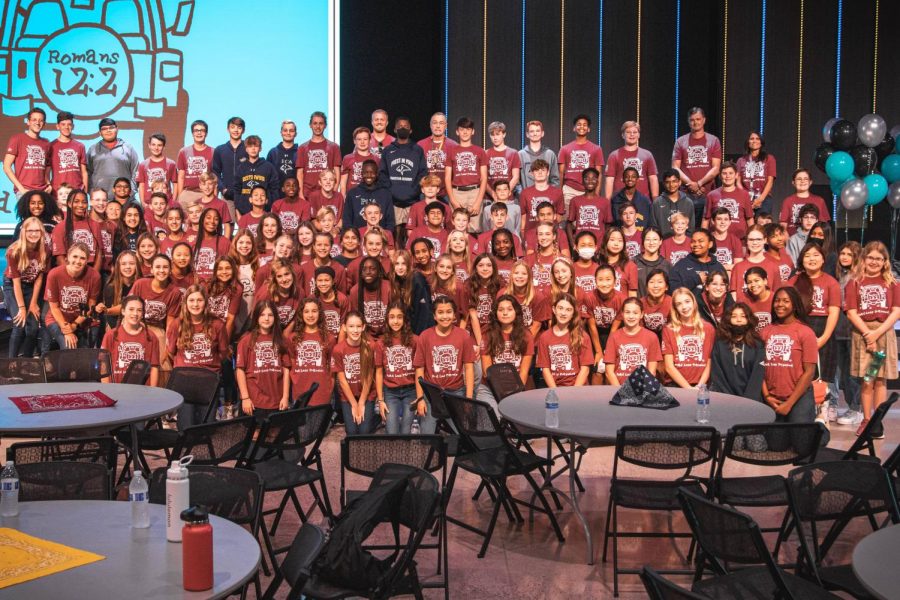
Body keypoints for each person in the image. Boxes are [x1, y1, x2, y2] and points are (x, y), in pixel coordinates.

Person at [844, 241, 900, 437]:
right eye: (871, 258)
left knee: (880, 380)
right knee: (867, 379)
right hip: (863, 334)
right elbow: (851, 312)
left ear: (885, 261)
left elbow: (896, 311)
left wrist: (877, 334)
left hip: (883, 334)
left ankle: (877, 422)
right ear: (864, 259)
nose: (874, 262)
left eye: (879, 258)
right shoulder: (855, 281)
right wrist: (869, 335)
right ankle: (866, 420)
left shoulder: (892, 282)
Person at [761, 287, 818, 423]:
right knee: (776, 444)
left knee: (801, 441)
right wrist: (767, 396)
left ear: (795, 305)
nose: (780, 304)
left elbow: (809, 372)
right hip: (772, 397)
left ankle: (821, 431)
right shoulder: (765, 332)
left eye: (786, 301)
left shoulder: (805, 332)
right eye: (777, 301)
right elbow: (759, 370)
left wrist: (789, 403)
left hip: (799, 397)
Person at [790, 243, 841, 399]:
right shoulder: (793, 281)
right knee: (800, 372)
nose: (812, 259)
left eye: (816, 255)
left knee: (823, 374)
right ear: (801, 260)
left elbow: (833, 312)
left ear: (823, 259)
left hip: (823, 330)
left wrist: (824, 338)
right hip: (799, 330)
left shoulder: (831, 282)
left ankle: (824, 409)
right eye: (807, 255)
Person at [414, 295, 478, 401]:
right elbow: (419, 370)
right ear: (434, 316)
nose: (445, 316)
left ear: (454, 315)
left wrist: (469, 398)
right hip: (431, 393)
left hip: (457, 391)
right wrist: (420, 399)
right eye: (440, 312)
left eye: (449, 312)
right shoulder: (425, 336)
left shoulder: (464, 335)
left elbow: (469, 368)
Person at [236, 300, 290, 421]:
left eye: (270, 315)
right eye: (262, 315)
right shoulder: (246, 341)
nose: (266, 318)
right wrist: (245, 398)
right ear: (256, 317)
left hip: (277, 399)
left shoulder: (282, 340)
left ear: (275, 317)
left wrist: (285, 397)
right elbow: (240, 370)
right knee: (255, 435)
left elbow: (286, 370)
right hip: (254, 400)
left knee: (274, 434)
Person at [332, 311, 384, 435]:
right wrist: (354, 404)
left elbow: (369, 377)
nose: (355, 330)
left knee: (364, 431)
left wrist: (361, 402)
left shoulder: (370, 346)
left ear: (363, 327)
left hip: (366, 393)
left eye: (358, 326)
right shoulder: (338, 349)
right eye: (351, 326)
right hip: (348, 394)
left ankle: (376, 419)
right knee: (352, 432)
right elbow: (342, 380)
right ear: (344, 327)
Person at [378, 116, 427, 245]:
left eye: (406, 127)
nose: (403, 128)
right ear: (394, 129)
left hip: (413, 201)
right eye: (400, 126)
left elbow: (423, 173)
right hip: (393, 201)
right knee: (395, 236)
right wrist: (391, 191)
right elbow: (382, 174)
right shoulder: (388, 150)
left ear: (410, 130)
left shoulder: (417, 150)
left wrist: (414, 191)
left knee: (412, 235)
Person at [43, 242, 101, 350]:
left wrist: (74, 325)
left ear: (87, 260)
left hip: (80, 320)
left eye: (82, 258)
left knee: (85, 353)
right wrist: (67, 330)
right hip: (57, 318)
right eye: (75, 256)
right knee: (68, 347)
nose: (78, 261)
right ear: (68, 257)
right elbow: (54, 308)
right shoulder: (54, 274)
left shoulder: (94, 276)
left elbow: (90, 306)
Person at [4, 216, 48, 356]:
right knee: (20, 323)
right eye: (30, 230)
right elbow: (16, 281)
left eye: (37, 230)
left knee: (34, 327)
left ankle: (27, 362)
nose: (33, 234)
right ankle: (10, 364)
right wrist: (22, 308)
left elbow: (39, 278)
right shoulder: (14, 251)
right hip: (12, 286)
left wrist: (33, 303)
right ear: (24, 232)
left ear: (41, 232)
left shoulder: (45, 249)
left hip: (31, 286)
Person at [671, 107, 721, 226]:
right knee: (685, 227)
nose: (695, 122)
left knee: (706, 229)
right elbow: (675, 167)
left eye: (698, 119)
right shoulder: (680, 141)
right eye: (692, 120)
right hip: (685, 194)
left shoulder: (713, 140)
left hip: (707, 193)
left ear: (704, 120)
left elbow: (716, 168)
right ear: (688, 122)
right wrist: (691, 184)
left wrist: (699, 184)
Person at [381, 302, 424, 434]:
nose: (395, 321)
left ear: (405, 319)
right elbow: (378, 373)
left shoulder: (415, 340)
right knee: (392, 434)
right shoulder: (381, 342)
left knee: (405, 433)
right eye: (392, 317)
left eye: (399, 317)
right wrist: (381, 400)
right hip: (391, 392)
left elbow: (419, 370)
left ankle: (414, 424)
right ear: (387, 319)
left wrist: (420, 396)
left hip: (410, 390)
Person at [535, 292, 592, 388]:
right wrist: (555, 391)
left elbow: (585, 369)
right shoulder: (544, 337)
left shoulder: (582, 336)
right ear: (554, 309)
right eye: (560, 308)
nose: (563, 313)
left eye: (568, 310)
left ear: (573, 313)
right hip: (555, 388)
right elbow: (545, 369)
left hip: (577, 389)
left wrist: (573, 392)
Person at [709, 302, 765, 398]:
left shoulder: (757, 345)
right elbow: (717, 374)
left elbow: (757, 376)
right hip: (725, 399)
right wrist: (729, 399)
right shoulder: (720, 344)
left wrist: (748, 400)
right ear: (728, 320)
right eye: (734, 316)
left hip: (752, 401)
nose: (739, 320)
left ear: (749, 320)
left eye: (743, 316)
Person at [833, 241, 863, 426]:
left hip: (854, 330)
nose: (844, 257)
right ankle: (842, 405)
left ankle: (856, 408)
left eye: (849, 254)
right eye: (842, 253)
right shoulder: (839, 276)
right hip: (838, 329)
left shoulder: (860, 278)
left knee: (854, 372)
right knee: (840, 372)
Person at [661, 288, 715, 387]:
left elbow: (709, 363)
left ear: (693, 302)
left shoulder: (708, 328)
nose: (684, 307)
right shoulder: (668, 329)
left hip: (702, 385)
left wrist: (699, 386)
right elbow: (669, 367)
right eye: (679, 304)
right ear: (675, 308)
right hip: (676, 384)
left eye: (687, 301)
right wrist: (689, 389)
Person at [101, 295, 160, 385]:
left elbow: (154, 367)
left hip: (143, 391)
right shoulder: (110, 335)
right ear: (123, 311)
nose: (135, 313)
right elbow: (103, 365)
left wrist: (153, 392)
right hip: (116, 389)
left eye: (139, 310)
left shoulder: (151, 337)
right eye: (131, 309)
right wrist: (107, 389)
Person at [603, 297, 662, 385]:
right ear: (622, 314)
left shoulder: (651, 337)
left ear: (641, 314)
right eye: (627, 312)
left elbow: (651, 372)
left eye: (635, 313)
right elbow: (609, 372)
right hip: (619, 389)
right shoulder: (614, 337)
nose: (631, 316)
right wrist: (621, 392)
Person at [288, 297, 335, 407]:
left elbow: (332, 367)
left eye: (314, 311)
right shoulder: (293, 338)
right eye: (306, 311)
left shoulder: (329, 338)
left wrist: (329, 388)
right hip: (299, 391)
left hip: (322, 392)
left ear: (320, 313)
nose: (310, 315)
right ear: (301, 314)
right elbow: (292, 361)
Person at [445, 117, 488, 233]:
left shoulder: (480, 151)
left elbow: (484, 178)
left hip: (475, 192)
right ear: (457, 132)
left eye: (468, 129)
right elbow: (447, 178)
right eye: (462, 129)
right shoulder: (451, 151)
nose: (465, 132)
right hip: (457, 192)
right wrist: (453, 200)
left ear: (472, 131)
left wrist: (479, 201)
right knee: (457, 227)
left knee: (475, 228)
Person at [558, 114, 605, 214]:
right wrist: (560, 194)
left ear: (588, 129)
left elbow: (599, 174)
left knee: (585, 222)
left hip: (588, 190)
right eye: (579, 124)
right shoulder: (565, 149)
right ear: (574, 128)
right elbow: (561, 173)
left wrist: (596, 193)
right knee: (567, 223)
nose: (582, 127)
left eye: (585, 125)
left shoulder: (596, 149)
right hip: (569, 190)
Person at [604, 120, 659, 200]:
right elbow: (609, 180)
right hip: (620, 200)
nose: (632, 135)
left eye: (635, 132)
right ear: (623, 135)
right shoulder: (614, 155)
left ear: (639, 135)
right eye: (628, 132)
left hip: (642, 200)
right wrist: (608, 201)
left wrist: (655, 200)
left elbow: (653, 178)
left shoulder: (647, 155)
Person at [85, 118, 139, 196]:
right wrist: (91, 192)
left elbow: (136, 171)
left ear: (117, 129)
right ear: (100, 133)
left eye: (111, 128)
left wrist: (132, 191)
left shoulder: (128, 148)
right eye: (104, 129)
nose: (108, 130)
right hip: (100, 199)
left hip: (124, 198)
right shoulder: (93, 149)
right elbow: (87, 173)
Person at [4, 107, 51, 196]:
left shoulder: (46, 143)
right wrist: (21, 189)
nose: (37, 123)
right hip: (24, 191)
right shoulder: (17, 139)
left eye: (41, 120)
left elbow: (47, 167)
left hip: (43, 191)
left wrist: (48, 184)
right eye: (34, 120)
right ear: (28, 122)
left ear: (44, 124)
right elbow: (6, 166)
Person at [702, 161, 753, 240]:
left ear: (736, 175)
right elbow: (706, 220)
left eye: (730, 173)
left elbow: (749, 219)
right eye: (724, 173)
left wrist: (751, 238)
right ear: (720, 176)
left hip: (740, 240)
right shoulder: (711, 195)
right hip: (716, 240)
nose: (727, 176)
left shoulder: (744, 195)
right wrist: (704, 239)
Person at [295, 111, 342, 199]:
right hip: (307, 194)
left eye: (321, 123)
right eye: (315, 123)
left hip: (327, 193)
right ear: (310, 125)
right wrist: (300, 193)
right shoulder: (302, 148)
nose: (317, 126)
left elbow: (337, 171)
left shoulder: (334, 147)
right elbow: (300, 173)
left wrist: (334, 190)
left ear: (325, 125)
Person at [50, 189, 101, 268]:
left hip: (91, 270)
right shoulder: (59, 228)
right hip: (69, 270)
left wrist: (94, 275)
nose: (80, 205)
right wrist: (72, 275)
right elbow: (60, 258)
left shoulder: (95, 225)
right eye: (76, 201)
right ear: (69, 204)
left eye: (84, 202)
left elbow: (99, 253)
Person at [389, 250, 434, 334]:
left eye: (403, 264)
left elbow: (423, 312)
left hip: (422, 330)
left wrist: (417, 337)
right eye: (397, 264)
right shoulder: (396, 280)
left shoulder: (417, 279)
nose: (400, 267)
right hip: (409, 329)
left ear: (409, 265)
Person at [669, 229, 726, 294]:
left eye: (700, 241)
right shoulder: (681, 265)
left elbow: (725, 291)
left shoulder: (718, 267)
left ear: (710, 244)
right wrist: (696, 280)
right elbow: (672, 290)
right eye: (693, 241)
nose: (696, 244)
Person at [233, 135, 280, 215]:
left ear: (260, 148)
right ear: (246, 149)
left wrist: (270, 206)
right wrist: (238, 208)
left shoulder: (268, 167)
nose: (253, 149)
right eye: (250, 146)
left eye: (256, 146)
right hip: (245, 212)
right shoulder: (241, 168)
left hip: (264, 211)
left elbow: (274, 188)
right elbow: (237, 189)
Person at [343, 160, 395, 231]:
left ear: (377, 174)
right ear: (361, 174)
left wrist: (386, 236)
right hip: (358, 237)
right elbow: (347, 220)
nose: (369, 176)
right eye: (366, 173)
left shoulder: (386, 194)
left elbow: (390, 221)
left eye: (372, 173)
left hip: (380, 237)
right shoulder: (352, 193)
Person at [349, 256, 392, 339]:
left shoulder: (389, 288)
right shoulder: (355, 291)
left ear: (379, 272)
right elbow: (356, 320)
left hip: (387, 336)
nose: (368, 272)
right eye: (364, 269)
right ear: (361, 274)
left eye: (372, 268)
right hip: (365, 336)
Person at [504, 260, 550, 337]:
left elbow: (536, 325)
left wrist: (524, 344)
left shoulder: (538, 296)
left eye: (524, 274)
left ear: (529, 277)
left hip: (531, 339)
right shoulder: (503, 294)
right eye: (516, 273)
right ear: (511, 275)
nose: (520, 276)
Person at [418, 112, 458, 199]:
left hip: (447, 193)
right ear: (430, 125)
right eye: (435, 123)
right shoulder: (420, 145)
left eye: (441, 123)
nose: (438, 126)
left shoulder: (454, 146)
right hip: (425, 193)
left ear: (446, 126)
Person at [567, 167, 613, 243]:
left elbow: (608, 225)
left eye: (593, 179)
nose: (590, 181)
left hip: (599, 245)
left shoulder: (605, 202)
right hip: (580, 244)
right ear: (582, 181)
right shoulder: (575, 200)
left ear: (598, 182)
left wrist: (603, 244)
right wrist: (572, 244)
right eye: (587, 179)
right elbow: (569, 224)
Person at [211, 116, 247, 211]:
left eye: (239, 128)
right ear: (228, 129)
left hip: (246, 195)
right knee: (228, 224)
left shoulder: (248, 149)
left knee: (248, 224)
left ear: (243, 130)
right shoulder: (220, 150)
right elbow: (215, 173)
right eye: (233, 127)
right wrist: (223, 189)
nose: (236, 130)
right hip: (227, 195)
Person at [255, 258, 301, 333]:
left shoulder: (299, 292)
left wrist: (285, 335)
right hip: (267, 331)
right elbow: (257, 319)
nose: (284, 279)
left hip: (286, 331)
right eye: (279, 276)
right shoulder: (266, 293)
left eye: (287, 274)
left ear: (292, 273)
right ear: (275, 279)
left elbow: (295, 318)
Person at [779, 168, 829, 236]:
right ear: (793, 182)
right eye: (799, 179)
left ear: (810, 182)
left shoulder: (819, 201)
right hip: (792, 241)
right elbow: (783, 226)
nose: (802, 181)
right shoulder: (787, 201)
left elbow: (823, 226)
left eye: (805, 179)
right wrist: (789, 242)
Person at [467, 254, 502, 348]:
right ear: (475, 268)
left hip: (495, 331)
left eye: (489, 265)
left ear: (494, 268)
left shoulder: (501, 283)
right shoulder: (468, 285)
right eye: (481, 265)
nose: (485, 269)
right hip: (475, 333)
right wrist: (480, 343)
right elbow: (473, 316)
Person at [736, 131, 776, 214]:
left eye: (757, 139)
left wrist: (760, 199)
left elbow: (770, 181)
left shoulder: (769, 158)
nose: (754, 141)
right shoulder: (741, 160)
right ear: (748, 142)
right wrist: (746, 197)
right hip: (745, 199)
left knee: (762, 225)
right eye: (752, 139)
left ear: (761, 143)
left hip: (764, 199)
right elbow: (738, 181)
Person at [521, 159, 565, 235]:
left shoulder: (558, 193)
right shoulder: (525, 193)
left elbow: (559, 217)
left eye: (543, 170)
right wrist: (523, 235)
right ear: (532, 173)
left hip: (551, 235)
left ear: (548, 173)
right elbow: (523, 218)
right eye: (536, 170)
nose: (540, 172)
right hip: (531, 235)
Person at [205, 256, 243, 342]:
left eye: (228, 268)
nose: (224, 272)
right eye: (220, 269)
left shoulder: (237, 288)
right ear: (215, 271)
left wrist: (224, 343)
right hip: (206, 326)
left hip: (223, 328)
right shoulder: (207, 285)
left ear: (233, 270)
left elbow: (230, 319)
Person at [49, 111, 88, 194]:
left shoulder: (80, 146)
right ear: (57, 126)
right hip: (58, 192)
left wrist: (85, 191)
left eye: (69, 124)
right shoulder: (51, 146)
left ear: (73, 126)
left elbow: (84, 172)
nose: (66, 127)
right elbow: (46, 171)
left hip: (77, 191)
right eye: (63, 124)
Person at [175, 119, 213, 206]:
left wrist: (213, 196)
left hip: (205, 193)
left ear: (206, 133)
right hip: (188, 193)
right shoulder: (183, 151)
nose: (199, 133)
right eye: (196, 131)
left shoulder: (213, 152)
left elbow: (214, 177)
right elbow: (181, 176)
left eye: (202, 130)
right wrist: (180, 195)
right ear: (192, 133)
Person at [650, 169, 696, 237]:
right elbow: (653, 226)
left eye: (674, 181)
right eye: (667, 182)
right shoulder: (657, 203)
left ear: (679, 182)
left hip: (682, 243)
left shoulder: (688, 203)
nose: (671, 185)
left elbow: (691, 227)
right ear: (663, 183)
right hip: (663, 243)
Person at [136, 133, 177, 205]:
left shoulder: (171, 164)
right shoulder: (143, 165)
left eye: (159, 145)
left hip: (166, 203)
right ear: (149, 145)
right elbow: (141, 185)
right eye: (153, 145)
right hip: (149, 203)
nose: (156, 148)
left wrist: (173, 200)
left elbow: (175, 184)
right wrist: (143, 202)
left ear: (164, 146)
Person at [429, 254, 469, 327]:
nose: (444, 270)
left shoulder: (459, 288)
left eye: (449, 268)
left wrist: (459, 334)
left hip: (454, 328)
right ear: (435, 268)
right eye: (441, 266)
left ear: (453, 271)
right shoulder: (429, 284)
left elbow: (465, 316)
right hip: (434, 327)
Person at [101, 250, 138, 330]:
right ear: (118, 266)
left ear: (136, 265)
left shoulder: (140, 284)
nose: (128, 267)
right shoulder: (110, 287)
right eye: (123, 264)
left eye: (131, 263)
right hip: (116, 325)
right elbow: (109, 314)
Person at [518, 120, 560, 189]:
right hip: (526, 197)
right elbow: (517, 183)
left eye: (537, 131)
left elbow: (555, 180)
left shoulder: (550, 154)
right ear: (527, 134)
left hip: (546, 198)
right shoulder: (520, 155)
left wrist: (549, 195)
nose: (535, 134)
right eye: (532, 131)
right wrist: (523, 195)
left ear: (542, 133)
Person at [484, 121, 521, 199]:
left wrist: (505, 193)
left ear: (504, 134)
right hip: (490, 198)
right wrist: (492, 193)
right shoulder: (485, 154)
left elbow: (516, 177)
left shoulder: (513, 153)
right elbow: (483, 178)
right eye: (492, 135)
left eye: (497, 134)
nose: (495, 138)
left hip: (508, 198)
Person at [635, 226, 671, 297]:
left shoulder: (667, 265)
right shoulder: (634, 263)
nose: (651, 243)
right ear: (643, 241)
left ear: (660, 241)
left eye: (655, 239)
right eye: (648, 239)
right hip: (638, 306)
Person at [341, 126, 378, 193]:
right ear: (354, 141)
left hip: (370, 197)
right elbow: (343, 184)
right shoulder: (347, 158)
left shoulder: (376, 159)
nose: (362, 142)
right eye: (359, 139)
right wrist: (344, 199)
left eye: (365, 139)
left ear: (370, 140)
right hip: (352, 199)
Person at [708, 208, 744, 273]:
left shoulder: (735, 240)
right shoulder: (707, 239)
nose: (722, 222)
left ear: (730, 222)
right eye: (719, 219)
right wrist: (727, 267)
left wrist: (720, 267)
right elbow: (705, 265)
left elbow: (739, 266)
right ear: (713, 221)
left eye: (726, 219)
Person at [266, 120, 299, 189]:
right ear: (281, 133)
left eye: (291, 130)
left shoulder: (300, 152)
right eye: (285, 130)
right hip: (277, 194)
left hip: (294, 193)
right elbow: (268, 175)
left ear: (296, 133)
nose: (288, 133)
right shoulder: (273, 153)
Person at [640, 269, 672, 336]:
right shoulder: (640, 303)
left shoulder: (671, 302)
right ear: (646, 287)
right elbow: (639, 330)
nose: (655, 286)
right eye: (651, 282)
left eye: (660, 282)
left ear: (666, 287)